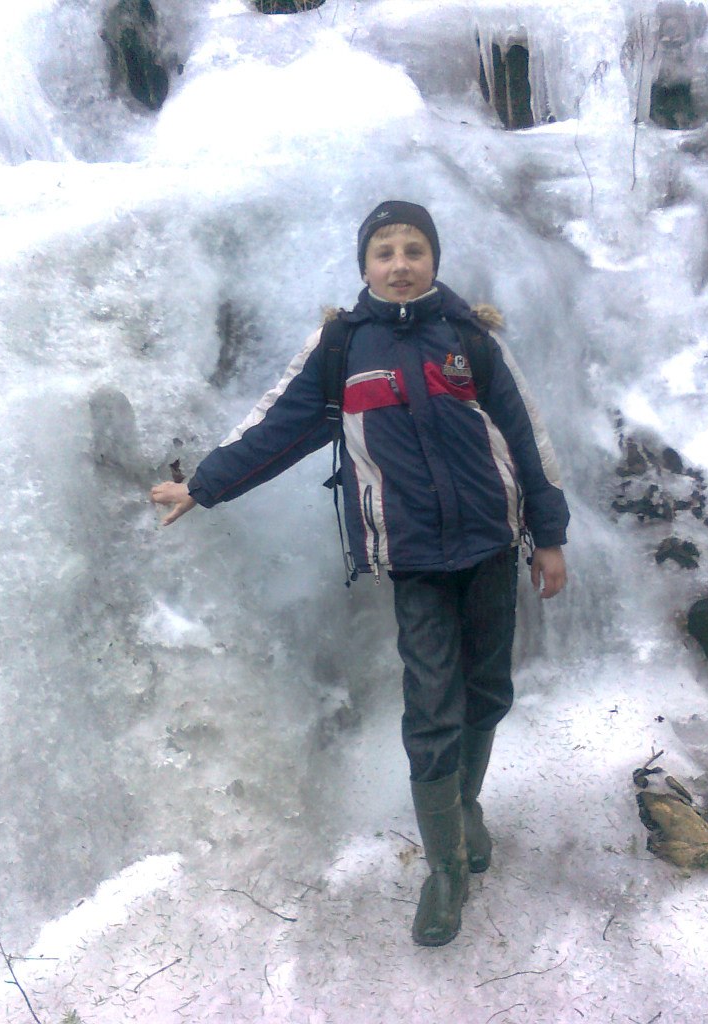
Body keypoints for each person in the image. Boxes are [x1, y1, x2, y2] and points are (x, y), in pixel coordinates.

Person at [151, 200, 569, 947]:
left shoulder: (471, 339)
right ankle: (445, 869)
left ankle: (465, 808)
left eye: (414, 249)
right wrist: (204, 485)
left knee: (487, 690)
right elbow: (278, 425)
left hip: (491, 546)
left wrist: (550, 535)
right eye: (384, 251)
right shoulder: (343, 346)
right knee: (433, 706)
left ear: (433, 259)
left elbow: (526, 436)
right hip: (412, 559)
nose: (400, 263)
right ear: (365, 265)